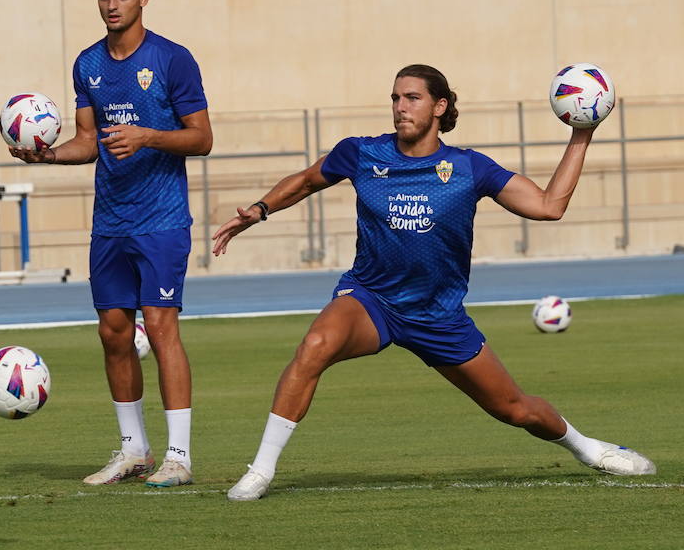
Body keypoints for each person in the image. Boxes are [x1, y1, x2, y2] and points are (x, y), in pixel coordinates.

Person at [211, 64, 656, 502]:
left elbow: (547, 206)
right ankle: (260, 471)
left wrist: (582, 135)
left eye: (412, 98)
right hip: (372, 299)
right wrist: (260, 209)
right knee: (315, 346)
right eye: (395, 98)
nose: (400, 107)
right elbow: (308, 180)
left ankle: (588, 448)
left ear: (440, 106)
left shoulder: (468, 168)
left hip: (438, 316)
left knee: (514, 409)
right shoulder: (363, 153)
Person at [11, 0, 212, 488]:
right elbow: (86, 140)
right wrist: (47, 157)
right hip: (111, 222)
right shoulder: (88, 64)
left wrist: (148, 135)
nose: (111, 6)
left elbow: (202, 138)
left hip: (162, 219)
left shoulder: (173, 60)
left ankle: (179, 456)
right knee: (113, 332)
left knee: (162, 328)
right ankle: (133, 450)